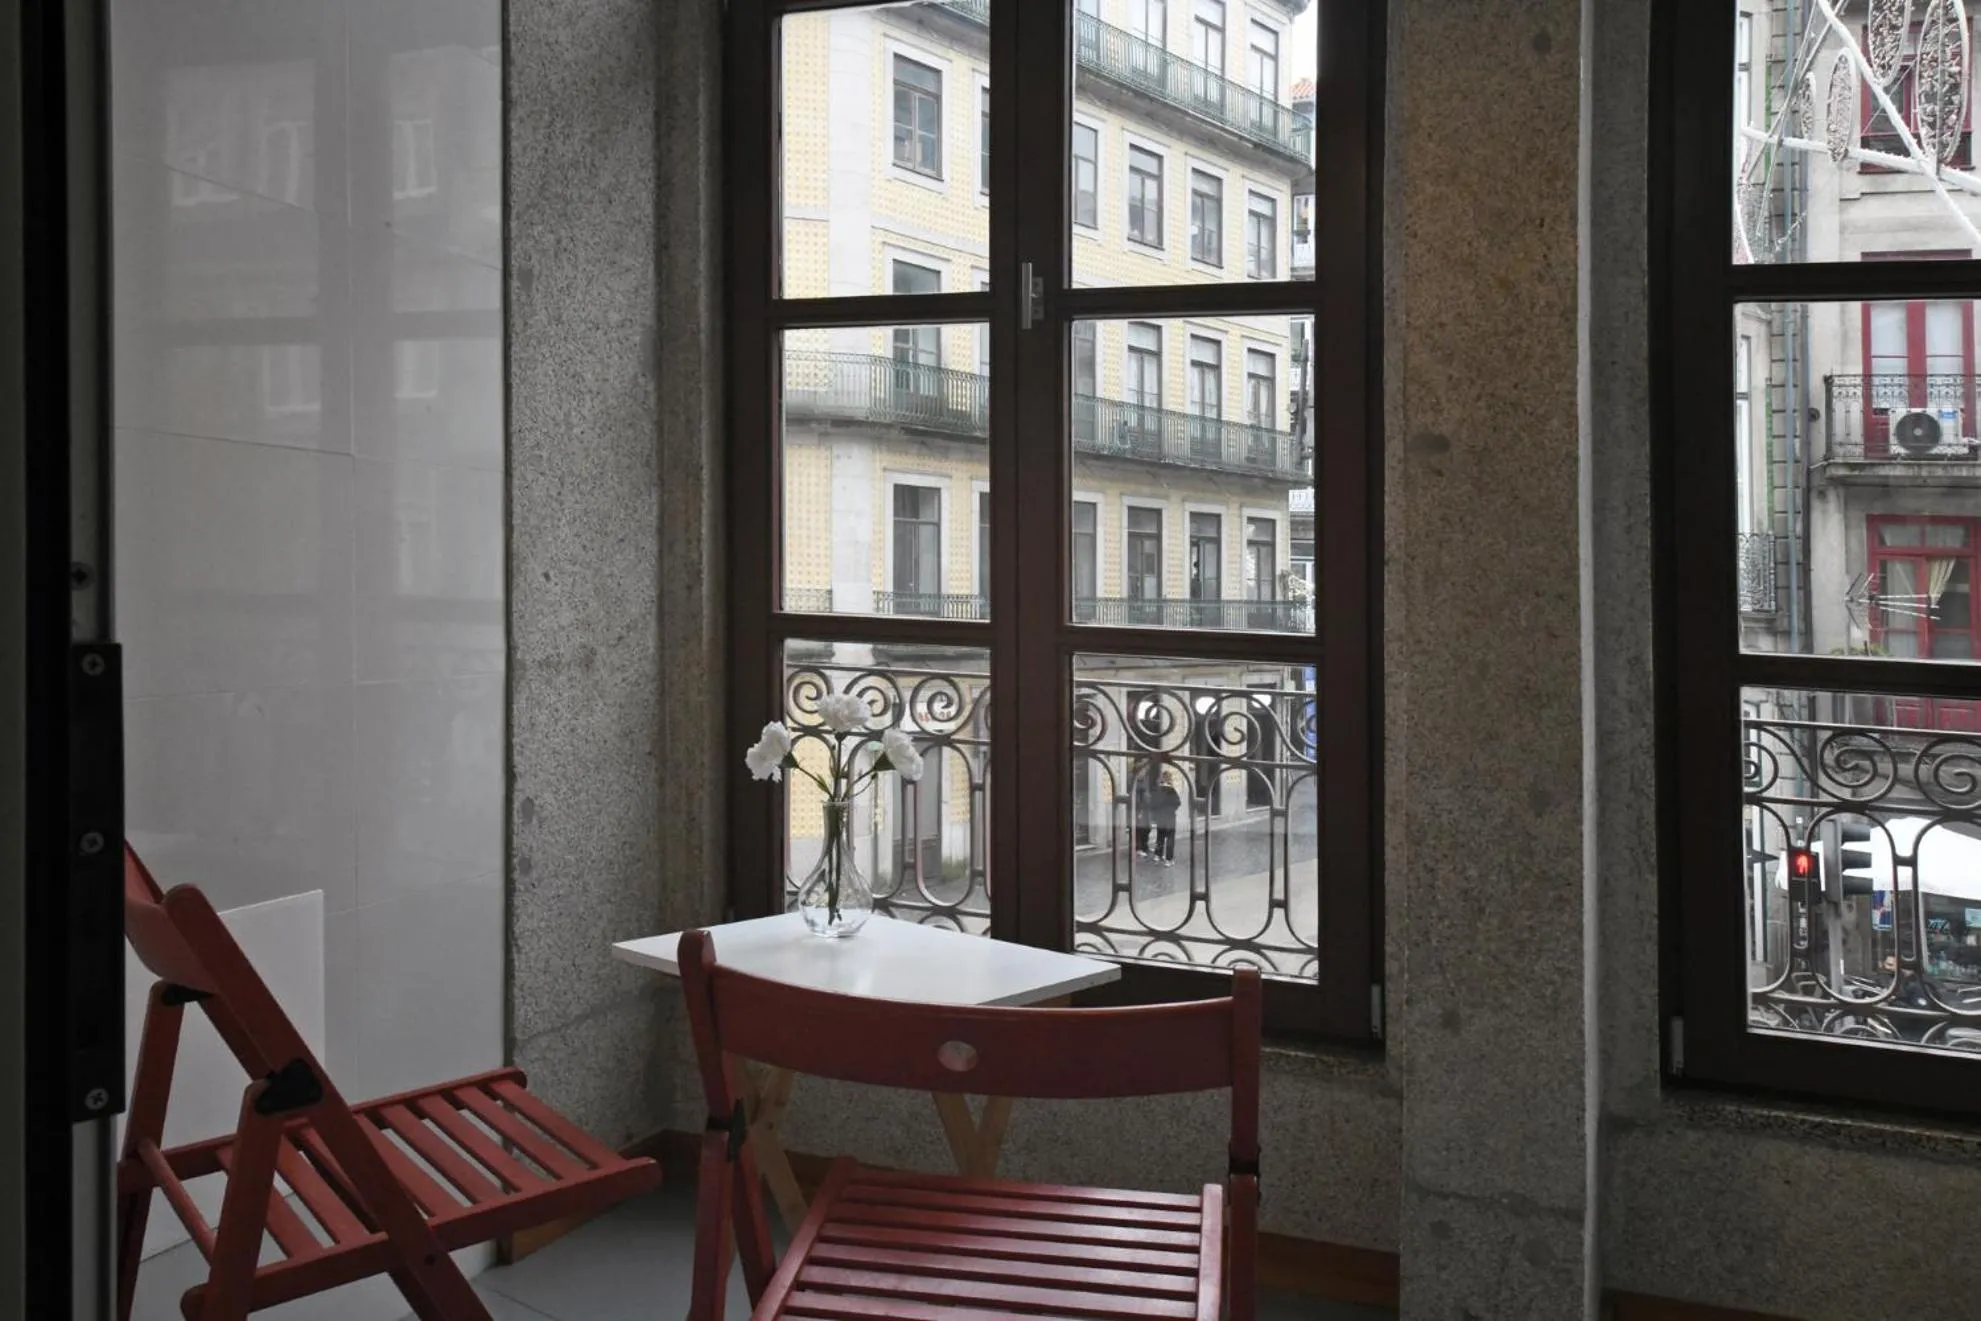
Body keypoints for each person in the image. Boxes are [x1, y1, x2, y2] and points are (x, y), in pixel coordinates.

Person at [1149, 771, 1183, 867]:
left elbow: (1152, 803)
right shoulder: (1171, 790)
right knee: (1170, 838)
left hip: (1160, 817)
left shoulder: (1157, 789)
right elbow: (1178, 802)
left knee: (1160, 837)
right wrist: (1171, 809)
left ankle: (1157, 855)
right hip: (1170, 817)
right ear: (1170, 779)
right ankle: (1169, 859)